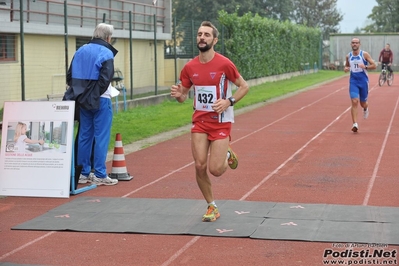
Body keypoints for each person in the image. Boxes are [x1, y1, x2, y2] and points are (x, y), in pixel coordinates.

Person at [170, 21, 249, 222]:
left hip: (221, 122)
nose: (202, 37)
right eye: (199, 34)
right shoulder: (189, 67)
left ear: (214, 40)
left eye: (206, 34)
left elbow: (244, 86)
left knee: (215, 170)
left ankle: (226, 153)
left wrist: (228, 102)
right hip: (200, 121)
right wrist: (179, 94)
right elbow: (183, 96)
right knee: (199, 165)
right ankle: (211, 206)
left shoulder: (224, 64)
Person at [66, 23, 118, 186]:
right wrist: (93, 95)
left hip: (82, 100)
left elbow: (69, 76)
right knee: (101, 136)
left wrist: (83, 94)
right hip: (101, 99)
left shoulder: (80, 50)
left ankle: (83, 172)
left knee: (84, 135)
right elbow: (105, 79)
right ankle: (100, 174)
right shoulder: (107, 52)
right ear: (108, 38)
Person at [344, 37, 376, 133]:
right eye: (353, 43)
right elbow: (347, 65)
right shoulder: (348, 56)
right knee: (354, 101)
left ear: (359, 44)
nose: (354, 44)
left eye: (356, 43)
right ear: (351, 44)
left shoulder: (364, 54)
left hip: (363, 81)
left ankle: (366, 108)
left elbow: (374, 65)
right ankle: (355, 124)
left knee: (363, 103)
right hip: (353, 81)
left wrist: (365, 66)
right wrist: (346, 68)